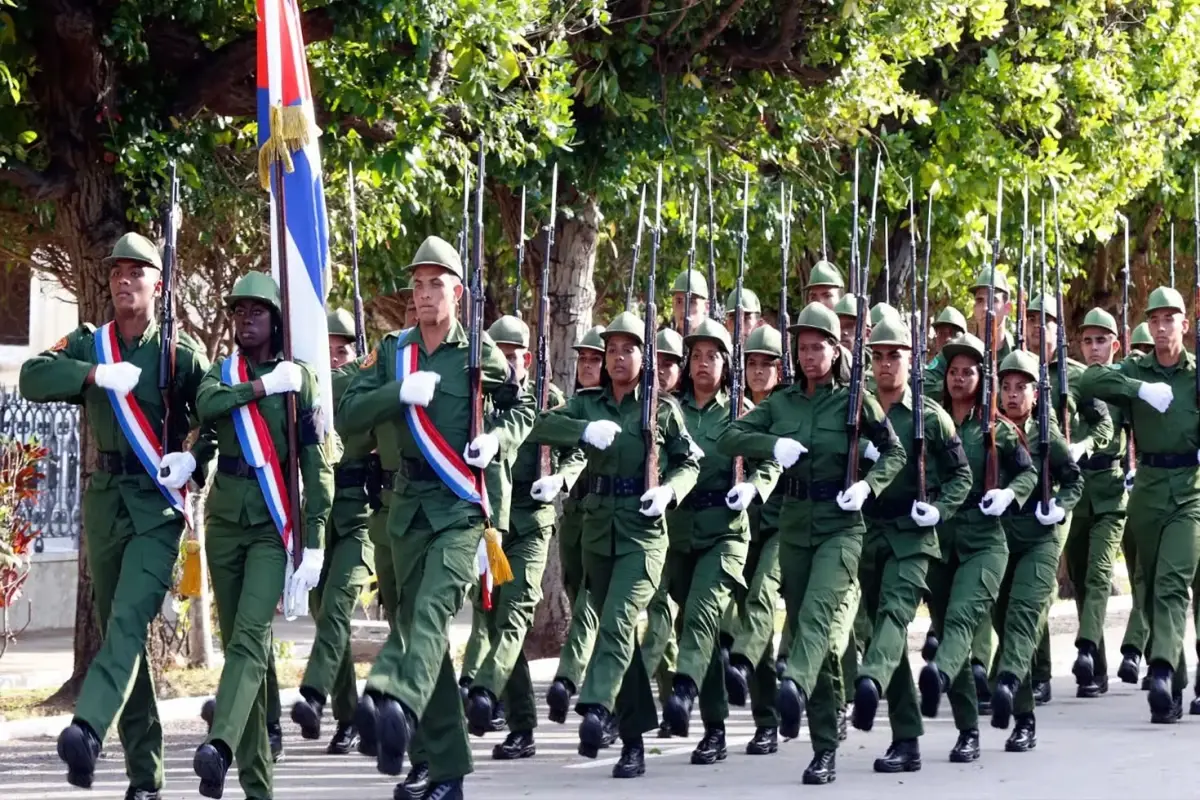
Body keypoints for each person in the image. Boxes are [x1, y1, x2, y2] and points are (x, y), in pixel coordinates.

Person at [339, 236, 535, 799]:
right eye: (418, 285)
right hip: (405, 511)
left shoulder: (479, 354)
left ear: (459, 292)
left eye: (436, 284)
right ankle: (442, 767)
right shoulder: (393, 352)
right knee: (418, 632)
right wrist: (398, 392)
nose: (425, 295)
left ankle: (390, 695)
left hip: (459, 510)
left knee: (429, 613)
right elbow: (350, 415)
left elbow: (522, 406)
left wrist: (496, 439)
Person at [22, 233, 214, 799]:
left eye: (137, 271)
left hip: (157, 506)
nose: (123, 279)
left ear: (160, 282)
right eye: (116, 272)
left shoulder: (179, 354)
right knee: (119, 634)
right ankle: (146, 777)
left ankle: (87, 728)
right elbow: (33, 376)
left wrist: (193, 457)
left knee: (129, 622)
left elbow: (219, 416)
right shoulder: (91, 343)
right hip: (105, 498)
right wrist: (91, 376)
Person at [719, 302, 906, 785]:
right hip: (795, 524)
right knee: (812, 634)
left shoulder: (854, 399)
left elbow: (895, 450)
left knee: (820, 617)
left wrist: (869, 485)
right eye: (801, 348)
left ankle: (793, 685)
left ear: (835, 349)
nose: (808, 356)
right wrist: (770, 447)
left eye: (817, 347)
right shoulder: (779, 403)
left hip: (841, 528)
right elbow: (730, 436)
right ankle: (825, 747)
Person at [529, 310, 701, 779]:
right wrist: (580, 431)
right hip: (597, 534)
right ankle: (633, 742)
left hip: (643, 536)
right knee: (614, 632)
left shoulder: (662, 409)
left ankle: (597, 707)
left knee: (619, 623)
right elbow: (541, 426)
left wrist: (669, 491)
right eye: (612, 350)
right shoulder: (588, 405)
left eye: (629, 349)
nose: (619, 357)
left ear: (644, 357)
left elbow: (689, 463)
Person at [192, 271, 334, 800]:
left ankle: (220, 746)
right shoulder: (221, 373)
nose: (244, 319)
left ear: (277, 320)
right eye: (238, 311)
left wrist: (315, 538)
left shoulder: (301, 380)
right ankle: (258, 787)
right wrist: (257, 388)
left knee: (251, 639)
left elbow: (317, 464)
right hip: (225, 521)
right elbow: (207, 407)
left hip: (273, 526)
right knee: (240, 654)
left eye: (256, 311)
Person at [849, 317, 972, 774]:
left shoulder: (930, 415)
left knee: (895, 615)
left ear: (911, 360)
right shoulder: (856, 409)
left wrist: (940, 510)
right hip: (866, 533)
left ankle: (869, 682)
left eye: (894, 355)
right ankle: (906, 740)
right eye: (878, 356)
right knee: (884, 635)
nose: (885, 364)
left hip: (912, 535)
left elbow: (961, 475)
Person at [660, 318, 780, 766]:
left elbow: (768, 462)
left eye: (713, 356)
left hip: (729, 530)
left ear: (726, 364)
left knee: (707, 617)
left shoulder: (742, 411)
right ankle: (715, 727)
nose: (703, 364)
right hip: (681, 530)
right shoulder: (669, 411)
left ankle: (757, 717)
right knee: (693, 624)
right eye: (696, 356)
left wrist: (754, 485)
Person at [917, 332, 1036, 763]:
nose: (959, 378)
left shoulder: (996, 428)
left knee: (965, 621)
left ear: (981, 379)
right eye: (953, 371)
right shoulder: (930, 422)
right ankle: (968, 730)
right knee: (953, 630)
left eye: (968, 371)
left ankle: (1018, 714)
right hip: (941, 538)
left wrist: (1009, 495)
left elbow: (1026, 475)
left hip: (986, 539)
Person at [1078, 286, 1193, 724]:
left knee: (1170, 582)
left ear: (1184, 324)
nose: (1163, 328)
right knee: (1146, 589)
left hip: (1190, 489)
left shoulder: (1195, 375)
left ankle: (1161, 670)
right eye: (1155, 319)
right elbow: (1090, 380)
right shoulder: (1136, 370)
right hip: (1146, 485)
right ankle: (1174, 683)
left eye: (1171, 319)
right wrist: (1139, 389)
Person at [466, 315, 575, 761]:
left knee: (515, 617)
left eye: (512, 358)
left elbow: (575, 447)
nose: (505, 366)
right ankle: (522, 726)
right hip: (492, 527)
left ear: (527, 359)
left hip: (531, 525)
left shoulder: (546, 399)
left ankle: (484, 693)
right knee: (492, 620)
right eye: (498, 357)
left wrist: (562, 478)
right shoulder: (483, 401)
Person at [290, 309, 375, 755]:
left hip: (359, 512)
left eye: (344, 351)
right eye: (328, 352)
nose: (335, 359)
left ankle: (314, 694)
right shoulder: (309, 391)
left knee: (339, 607)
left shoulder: (361, 387)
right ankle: (351, 716)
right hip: (317, 514)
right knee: (324, 614)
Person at [988, 350, 1083, 750]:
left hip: (1039, 537)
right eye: (1006, 387)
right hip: (998, 537)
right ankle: (1020, 708)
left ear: (1034, 393)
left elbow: (1073, 479)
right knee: (1001, 616)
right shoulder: (988, 429)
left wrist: (1059, 506)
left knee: (1024, 617)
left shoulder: (1048, 433)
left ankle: (1010, 686)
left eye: (1020, 388)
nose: (1012, 395)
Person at [724, 325, 788, 756]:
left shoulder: (790, 408)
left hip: (789, 522)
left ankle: (741, 663)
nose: (760, 370)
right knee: (751, 611)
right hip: (746, 522)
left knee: (765, 596)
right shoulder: (739, 410)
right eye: (753, 363)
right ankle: (766, 718)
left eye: (769, 363)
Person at [543, 326, 607, 730]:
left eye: (594, 359)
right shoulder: (573, 406)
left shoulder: (611, 409)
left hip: (606, 515)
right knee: (574, 589)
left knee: (590, 601)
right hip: (576, 512)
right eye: (582, 358)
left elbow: (580, 456)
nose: (586, 365)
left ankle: (571, 677)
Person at [1065, 309, 1129, 699]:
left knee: (1100, 574)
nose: (1093, 348)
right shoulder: (1070, 380)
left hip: (1110, 491)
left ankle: (1085, 647)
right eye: (1087, 341)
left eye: (1101, 340)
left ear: (1115, 345)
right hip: (1075, 492)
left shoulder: (1124, 385)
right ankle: (1096, 668)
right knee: (1080, 578)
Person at [641, 326, 686, 733]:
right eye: (658, 362)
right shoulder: (641, 405)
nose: (663, 371)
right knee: (659, 616)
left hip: (688, 528)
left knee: (675, 620)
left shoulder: (679, 411)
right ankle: (669, 701)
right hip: (649, 529)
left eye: (672, 363)